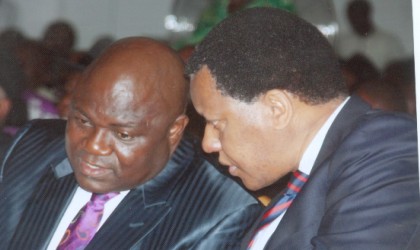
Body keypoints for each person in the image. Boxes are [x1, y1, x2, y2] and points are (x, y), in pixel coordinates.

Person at [186, 7, 420, 250]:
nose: (207, 143)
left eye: (216, 123)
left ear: (277, 109)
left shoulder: (385, 149)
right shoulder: (304, 179)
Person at [0, 37, 261, 249]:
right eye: (83, 121)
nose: (93, 146)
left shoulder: (219, 213)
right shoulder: (34, 145)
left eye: (123, 134)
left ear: (174, 131)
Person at [335, 0, 405, 72]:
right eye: (352, 15)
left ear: (367, 14)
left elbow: (399, 71)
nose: (355, 19)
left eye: (359, 14)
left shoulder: (389, 41)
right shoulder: (341, 42)